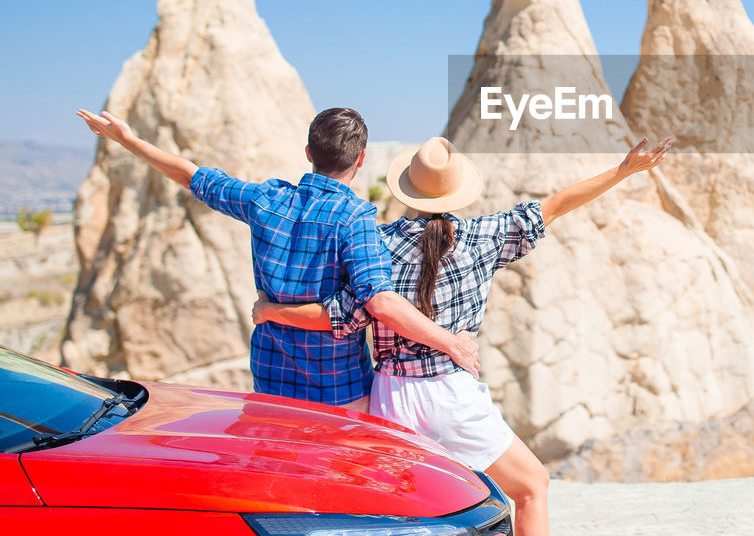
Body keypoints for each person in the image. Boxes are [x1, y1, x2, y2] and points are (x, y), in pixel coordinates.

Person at [254, 133, 674, 536]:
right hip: (448, 396)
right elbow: (558, 204)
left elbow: (335, 316)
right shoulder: (481, 237)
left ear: (406, 190)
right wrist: (623, 171)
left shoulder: (375, 244)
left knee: (408, 515)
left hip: (387, 398)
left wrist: (269, 310)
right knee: (531, 487)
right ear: (455, 193)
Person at [75, 106, 479, 410]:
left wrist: (128, 140)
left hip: (271, 380)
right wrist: (452, 344)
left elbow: (191, 176)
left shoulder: (266, 200)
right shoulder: (355, 217)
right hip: (339, 387)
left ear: (308, 152)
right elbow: (380, 301)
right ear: (361, 159)